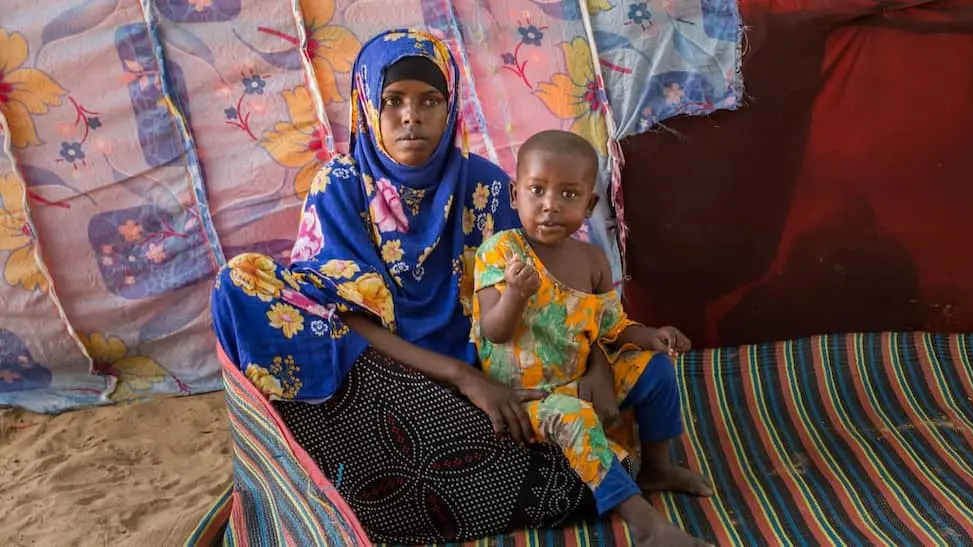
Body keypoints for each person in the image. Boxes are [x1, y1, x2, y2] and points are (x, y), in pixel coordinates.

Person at [211, 30, 601, 545]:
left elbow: (553, 289)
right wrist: (460, 375)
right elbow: (340, 316)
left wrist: (595, 365)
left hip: (478, 394)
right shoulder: (340, 184)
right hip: (381, 386)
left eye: (429, 100)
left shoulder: (483, 186)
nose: (410, 116)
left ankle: (382, 491)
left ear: (450, 108)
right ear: (367, 106)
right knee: (240, 284)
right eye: (392, 101)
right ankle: (383, 480)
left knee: (584, 446)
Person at [473, 130, 714, 545]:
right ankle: (645, 524)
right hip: (528, 398)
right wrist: (514, 294)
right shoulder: (501, 252)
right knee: (575, 417)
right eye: (537, 190)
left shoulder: (592, 260)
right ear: (515, 195)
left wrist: (652, 335)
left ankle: (658, 465)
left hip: (580, 379)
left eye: (568, 195)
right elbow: (493, 332)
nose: (550, 204)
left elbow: (613, 329)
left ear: (590, 204)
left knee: (655, 369)